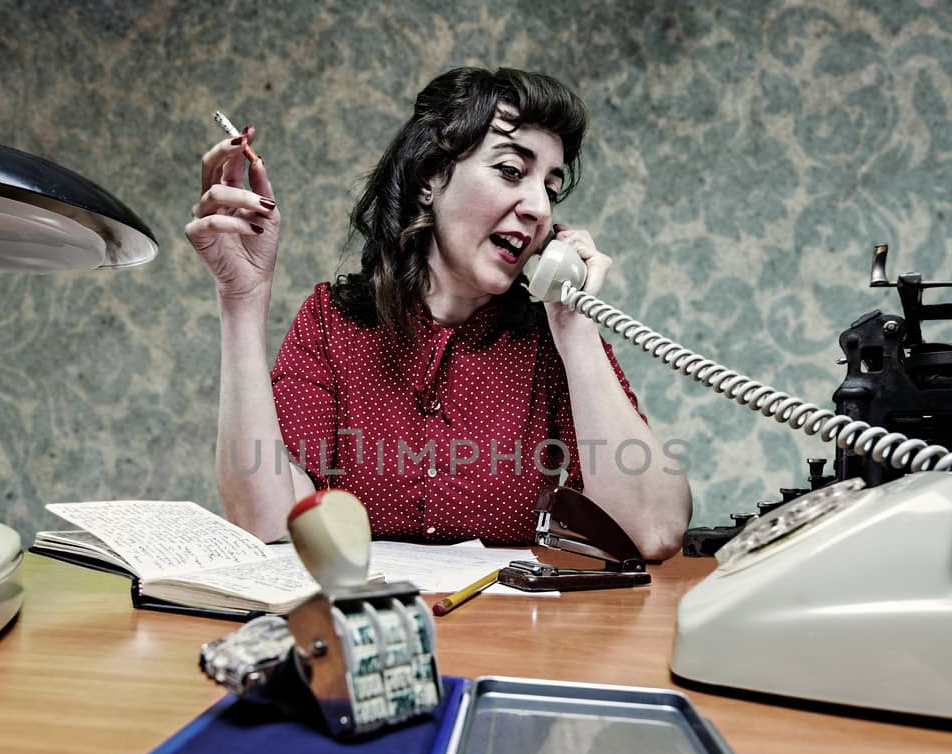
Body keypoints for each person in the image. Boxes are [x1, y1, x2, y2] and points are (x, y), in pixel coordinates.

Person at [186, 67, 690, 559]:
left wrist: (575, 328)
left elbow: (654, 529)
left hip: (505, 640)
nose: (539, 208)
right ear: (431, 177)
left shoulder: (551, 343)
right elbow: (268, 524)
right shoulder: (331, 322)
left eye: (551, 189)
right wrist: (241, 301)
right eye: (512, 171)